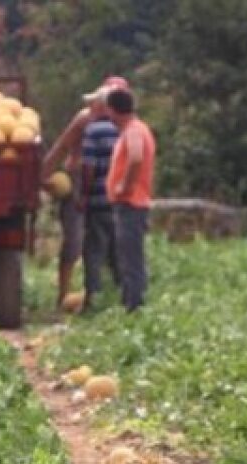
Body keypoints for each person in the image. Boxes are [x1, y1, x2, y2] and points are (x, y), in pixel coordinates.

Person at [41, 76, 128, 311]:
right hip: (79, 182)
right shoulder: (84, 119)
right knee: (74, 240)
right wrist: (40, 176)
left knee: (110, 243)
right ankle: (63, 294)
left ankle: (107, 296)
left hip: (107, 186)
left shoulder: (125, 123)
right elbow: (62, 146)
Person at [103, 87, 156, 312]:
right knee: (128, 257)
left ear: (114, 110)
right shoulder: (137, 129)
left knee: (130, 260)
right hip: (132, 204)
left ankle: (134, 307)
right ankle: (131, 302)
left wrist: (124, 184)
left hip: (131, 204)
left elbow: (135, 157)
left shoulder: (133, 130)